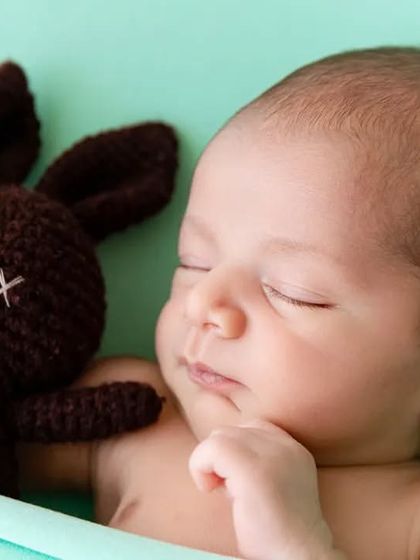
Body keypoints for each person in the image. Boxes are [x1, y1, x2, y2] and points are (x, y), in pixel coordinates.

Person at [18, 46, 420, 559]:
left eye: (292, 293)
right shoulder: (135, 412)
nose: (203, 302)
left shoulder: (408, 516)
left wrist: (295, 542)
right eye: (193, 263)